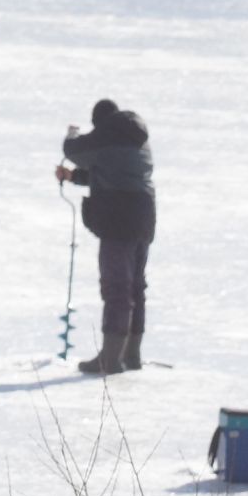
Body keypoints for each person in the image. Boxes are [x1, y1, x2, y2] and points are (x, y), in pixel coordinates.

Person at [54, 98, 155, 376]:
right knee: (135, 287)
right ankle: (131, 356)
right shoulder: (136, 138)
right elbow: (111, 171)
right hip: (143, 217)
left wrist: (72, 133)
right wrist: (73, 177)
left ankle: (110, 361)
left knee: (117, 289)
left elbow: (73, 149)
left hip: (118, 221)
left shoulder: (109, 133)